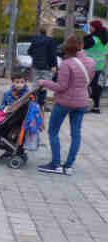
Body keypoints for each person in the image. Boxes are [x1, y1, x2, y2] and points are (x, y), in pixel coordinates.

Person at [37, 34, 95, 175]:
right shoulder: (91, 62)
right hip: (82, 102)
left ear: (67, 47)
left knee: (53, 131)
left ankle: (55, 164)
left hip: (65, 102)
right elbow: (88, 81)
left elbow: (61, 87)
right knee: (76, 134)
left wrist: (44, 82)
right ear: (81, 45)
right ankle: (68, 166)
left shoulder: (67, 64)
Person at [27, 28, 58, 107]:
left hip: (36, 65)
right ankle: (41, 103)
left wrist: (35, 58)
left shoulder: (35, 40)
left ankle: (33, 101)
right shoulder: (51, 41)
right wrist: (54, 65)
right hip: (46, 66)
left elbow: (29, 51)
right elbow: (52, 54)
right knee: (44, 85)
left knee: (35, 84)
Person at [84, 20, 107, 114]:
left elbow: (83, 46)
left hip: (90, 65)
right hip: (101, 65)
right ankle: (96, 106)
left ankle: (86, 105)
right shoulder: (105, 38)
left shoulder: (94, 39)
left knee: (87, 85)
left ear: (96, 27)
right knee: (97, 86)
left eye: (91, 26)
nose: (90, 28)